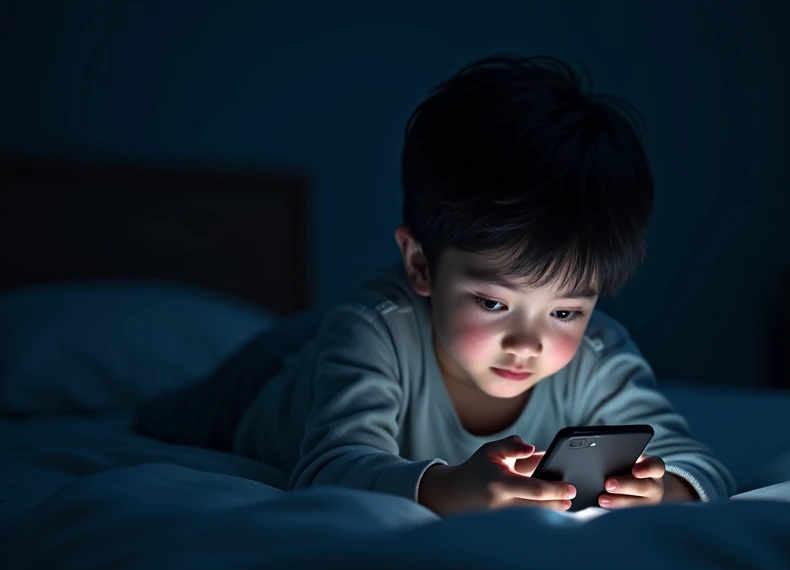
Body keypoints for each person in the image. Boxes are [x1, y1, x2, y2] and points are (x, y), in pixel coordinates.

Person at [209, 55, 734, 515]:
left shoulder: (599, 355)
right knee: (175, 403)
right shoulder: (371, 331)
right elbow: (326, 467)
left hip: (358, 337)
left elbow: (699, 465)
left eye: (565, 312)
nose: (528, 344)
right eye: (492, 302)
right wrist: (445, 489)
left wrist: (664, 490)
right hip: (263, 383)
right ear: (420, 263)